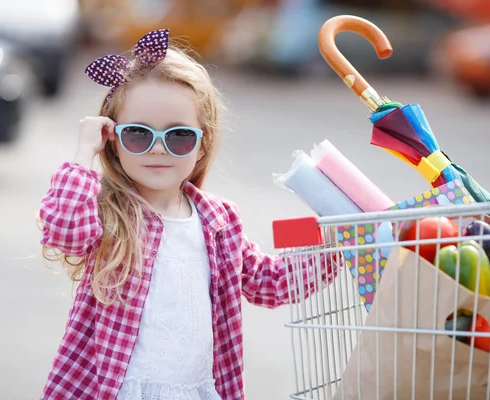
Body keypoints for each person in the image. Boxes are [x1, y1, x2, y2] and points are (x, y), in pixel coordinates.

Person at [39, 29, 338, 400]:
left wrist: (329, 237)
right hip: (117, 390)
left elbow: (268, 280)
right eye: (138, 134)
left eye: (178, 136)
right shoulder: (109, 212)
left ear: (202, 144)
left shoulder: (219, 220)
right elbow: (64, 232)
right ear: (113, 142)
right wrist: (84, 152)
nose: (158, 149)